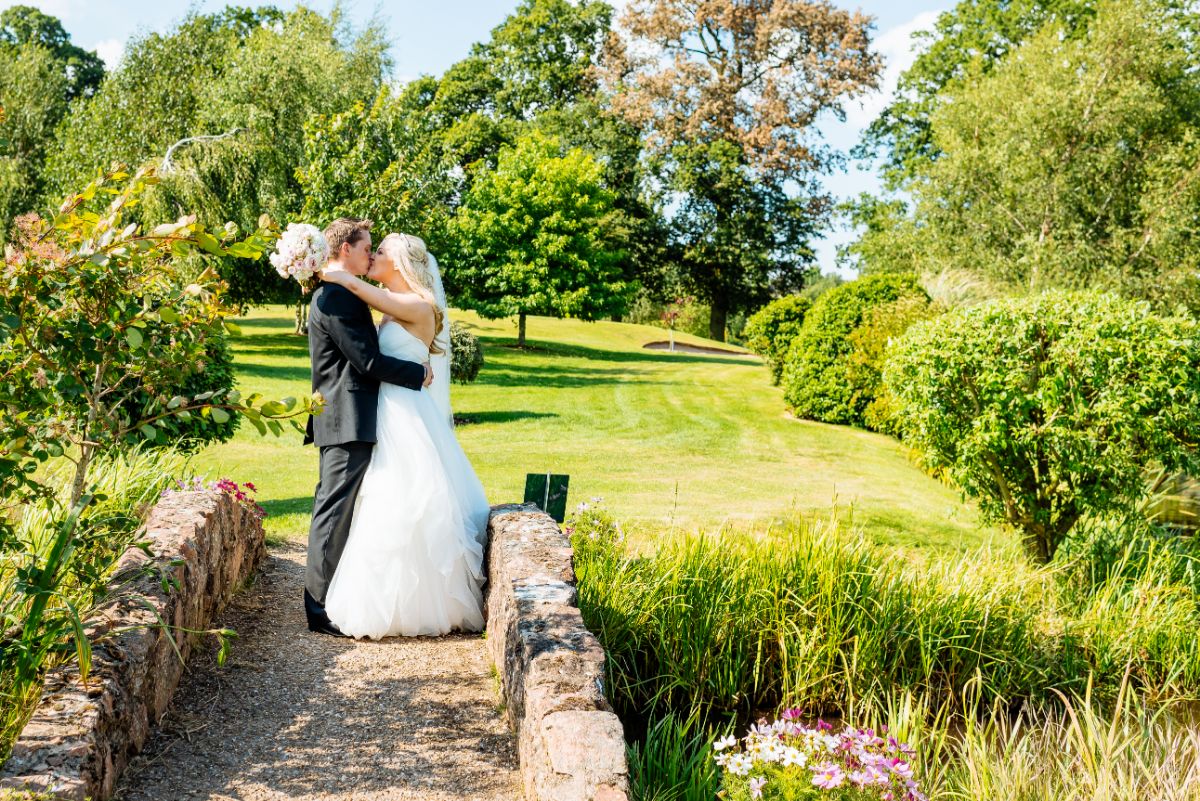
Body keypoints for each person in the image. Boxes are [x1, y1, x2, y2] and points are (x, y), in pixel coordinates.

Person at [319, 232, 490, 639]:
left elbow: (357, 287)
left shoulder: (417, 305)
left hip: (407, 414)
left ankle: (416, 605)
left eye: (380, 251)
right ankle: (385, 600)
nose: (373, 255)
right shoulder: (390, 310)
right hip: (387, 408)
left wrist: (326, 270)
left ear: (399, 262)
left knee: (408, 497)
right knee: (383, 498)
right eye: (370, 249)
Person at [301, 219, 431, 637]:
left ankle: (326, 596)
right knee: (334, 509)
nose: (370, 254)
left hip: (347, 418)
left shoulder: (341, 293)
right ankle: (317, 607)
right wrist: (417, 373)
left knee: (336, 507)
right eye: (366, 248)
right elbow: (368, 362)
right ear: (345, 250)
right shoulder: (339, 299)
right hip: (346, 419)